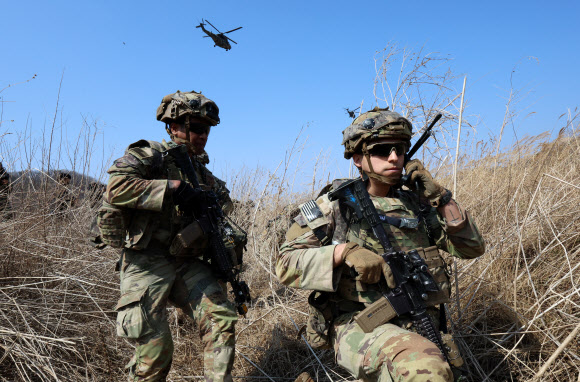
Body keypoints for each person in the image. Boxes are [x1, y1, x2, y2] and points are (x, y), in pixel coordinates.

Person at [276, 108, 485, 382]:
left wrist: (440, 196)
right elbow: (285, 264)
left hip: (419, 322)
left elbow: (472, 248)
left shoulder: (418, 206)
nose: (394, 157)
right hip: (357, 324)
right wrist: (344, 251)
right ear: (358, 159)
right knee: (424, 367)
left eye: (400, 149)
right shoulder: (334, 206)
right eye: (382, 150)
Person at [104, 90, 243, 382]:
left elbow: (224, 210)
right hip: (146, 260)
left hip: (185, 261)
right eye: (195, 127)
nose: (202, 135)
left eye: (206, 129)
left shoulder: (205, 177)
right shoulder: (150, 156)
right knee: (156, 349)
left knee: (221, 319)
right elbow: (115, 188)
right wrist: (172, 188)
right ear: (172, 126)